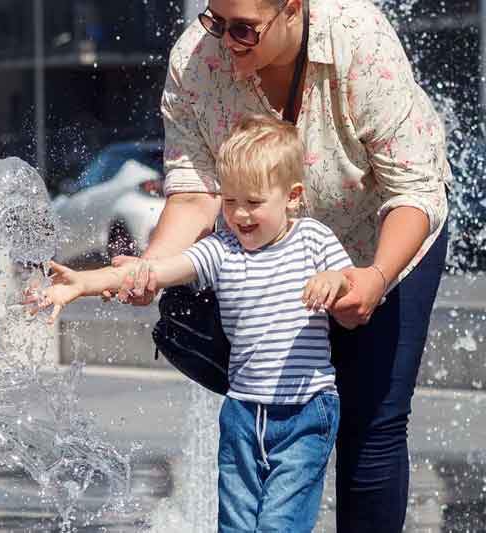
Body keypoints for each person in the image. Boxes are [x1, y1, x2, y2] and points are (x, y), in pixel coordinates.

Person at [112, 0, 450, 531]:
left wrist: (376, 276)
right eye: (215, 21)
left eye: (244, 30)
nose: (225, 41)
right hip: (263, 249)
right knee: (268, 410)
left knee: (373, 419)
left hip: (381, 235)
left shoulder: (358, 39)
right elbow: (195, 192)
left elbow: (413, 189)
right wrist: (149, 268)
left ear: (293, 9)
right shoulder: (195, 61)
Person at [29, 115, 354, 531]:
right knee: (235, 524)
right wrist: (81, 283)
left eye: (254, 202)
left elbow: (352, 288)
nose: (240, 214)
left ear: (292, 197)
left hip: (305, 411)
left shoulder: (315, 240)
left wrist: (333, 280)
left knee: (280, 524)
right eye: (231, 201)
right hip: (241, 412)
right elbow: (155, 272)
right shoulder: (222, 250)